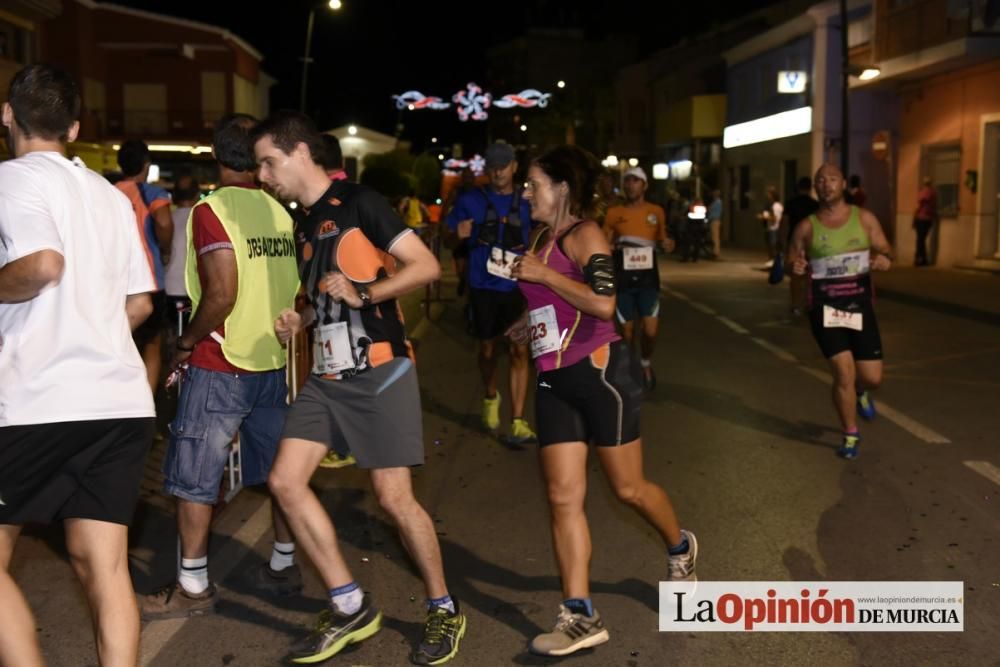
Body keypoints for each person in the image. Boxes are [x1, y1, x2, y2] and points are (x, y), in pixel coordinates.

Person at [252, 111, 466, 666]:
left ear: (299, 153)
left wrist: (365, 295)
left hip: (378, 369)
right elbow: (319, 296)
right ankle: (349, 604)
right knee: (285, 481)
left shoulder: (362, 203)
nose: (262, 175)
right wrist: (298, 321)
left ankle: (444, 606)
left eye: (267, 161)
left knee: (395, 500)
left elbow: (424, 267)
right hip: (327, 377)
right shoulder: (303, 224)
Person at [509, 145, 697, 657]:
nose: (526, 193)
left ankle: (680, 547)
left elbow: (604, 302)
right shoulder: (541, 237)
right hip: (553, 378)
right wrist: (529, 324)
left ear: (562, 188)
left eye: (534, 184)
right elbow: (555, 302)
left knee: (628, 489)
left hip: (600, 375)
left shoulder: (586, 235)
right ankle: (579, 613)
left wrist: (544, 276)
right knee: (562, 497)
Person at [0, 63, 156, 666]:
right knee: (104, 565)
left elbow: (42, 265)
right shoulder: (110, 196)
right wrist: (90, 334)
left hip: (39, 400)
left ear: (7, 115)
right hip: (118, 401)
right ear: (74, 126)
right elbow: (140, 302)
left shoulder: (11, 180)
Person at [139, 114, 302, 619]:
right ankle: (283, 563)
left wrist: (185, 343)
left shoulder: (213, 211)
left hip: (219, 361)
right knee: (282, 475)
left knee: (195, 478)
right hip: (270, 362)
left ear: (214, 155)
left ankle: (191, 584)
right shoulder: (279, 212)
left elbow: (221, 294)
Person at [787, 164, 894, 459]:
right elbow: (791, 259)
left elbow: (885, 249)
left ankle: (862, 391)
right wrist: (793, 267)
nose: (826, 184)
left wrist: (884, 258)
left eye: (832, 179)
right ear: (815, 188)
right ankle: (850, 433)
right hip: (824, 308)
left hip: (860, 305)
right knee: (842, 372)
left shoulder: (865, 219)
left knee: (871, 378)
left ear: (843, 183)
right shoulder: (807, 226)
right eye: (820, 180)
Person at [447, 142, 537, 444]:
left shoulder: (529, 201)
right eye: (493, 165)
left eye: (504, 164)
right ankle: (490, 395)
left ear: (514, 167)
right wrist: (454, 235)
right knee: (487, 351)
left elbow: (544, 235)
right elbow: (447, 238)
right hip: (482, 288)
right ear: (487, 168)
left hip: (517, 288)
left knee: (519, 349)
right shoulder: (470, 200)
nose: (498, 170)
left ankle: (519, 420)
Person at [602, 166, 670, 391]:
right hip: (623, 280)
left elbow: (663, 240)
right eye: (627, 181)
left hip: (648, 280)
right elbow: (603, 243)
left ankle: (645, 362)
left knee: (650, 331)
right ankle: (631, 365)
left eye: (635, 181)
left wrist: (668, 244)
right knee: (627, 333)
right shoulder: (613, 213)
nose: (631, 185)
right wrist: (608, 248)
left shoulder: (656, 212)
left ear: (645, 185)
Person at [116, 139, 173, 394]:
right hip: (149, 280)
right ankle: (146, 407)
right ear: (147, 165)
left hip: (115, 280)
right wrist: (165, 249)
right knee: (152, 344)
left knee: (119, 342)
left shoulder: (107, 191)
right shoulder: (153, 194)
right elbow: (163, 223)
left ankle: (118, 402)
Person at [163, 174, 200, 340]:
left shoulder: (165, 220)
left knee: (170, 339)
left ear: (174, 196)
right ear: (197, 194)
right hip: (195, 291)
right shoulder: (203, 218)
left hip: (168, 288)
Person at [783, 177, 819, 316]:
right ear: (810, 188)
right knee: (811, 274)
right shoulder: (815, 205)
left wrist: (782, 241)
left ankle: (795, 304)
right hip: (811, 243)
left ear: (798, 188)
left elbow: (785, 223)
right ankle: (808, 303)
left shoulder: (791, 203)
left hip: (795, 243)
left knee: (795, 275)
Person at [914, 177, 936, 266]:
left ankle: (920, 259)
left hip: (922, 218)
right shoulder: (933, 192)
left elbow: (921, 203)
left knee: (920, 240)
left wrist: (915, 214)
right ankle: (922, 259)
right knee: (922, 240)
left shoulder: (926, 192)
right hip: (929, 218)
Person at [757, 186, 783, 264]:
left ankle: (774, 261)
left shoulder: (776, 206)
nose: (768, 197)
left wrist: (764, 217)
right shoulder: (775, 205)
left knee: (773, 246)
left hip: (774, 228)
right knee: (770, 245)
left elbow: (774, 218)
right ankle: (771, 261)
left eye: (769, 195)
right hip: (771, 228)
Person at [707, 188, 723, 259]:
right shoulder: (716, 202)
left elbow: (710, 210)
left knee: (715, 237)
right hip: (713, 220)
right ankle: (714, 251)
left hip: (715, 220)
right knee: (714, 236)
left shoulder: (717, 202)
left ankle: (715, 252)